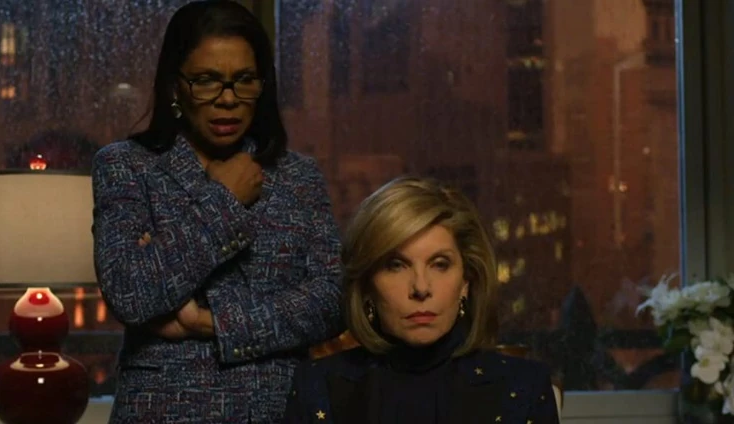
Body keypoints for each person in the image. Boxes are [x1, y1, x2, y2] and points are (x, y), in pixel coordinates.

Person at [91, 1, 344, 422]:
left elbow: (331, 302)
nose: (228, 100)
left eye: (244, 80)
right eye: (206, 81)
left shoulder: (298, 176)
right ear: (174, 86)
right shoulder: (126, 166)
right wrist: (224, 198)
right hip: (164, 410)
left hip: (279, 408)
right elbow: (130, 292)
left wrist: (209, 323)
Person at [283, 177, 560, 424]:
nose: (421, 288)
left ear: (466, 281)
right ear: (367, 285)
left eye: (439, 264)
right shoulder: (318, 388)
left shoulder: (523, 388)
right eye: (396, 265)